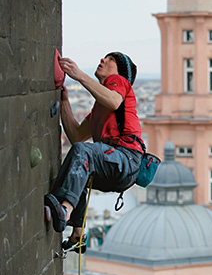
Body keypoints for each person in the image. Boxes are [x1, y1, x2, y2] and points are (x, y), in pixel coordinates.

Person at [44, 52, 143, 252]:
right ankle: (78, 235)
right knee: (77, 165)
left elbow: (115, 101)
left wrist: (78, 75)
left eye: (111, 60)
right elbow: (76, 136)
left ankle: (64, 211)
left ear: (121, 73)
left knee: (83, 154)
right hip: (118, 168)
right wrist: (64, 101)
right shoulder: (99, 108)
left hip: (126, 158)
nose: (103, 60)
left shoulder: (119, 82)